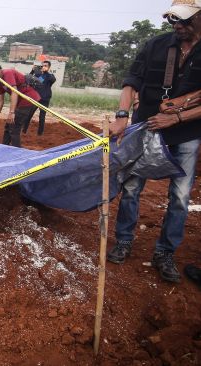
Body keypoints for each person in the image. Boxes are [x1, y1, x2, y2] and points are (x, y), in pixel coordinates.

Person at [106, 0, 201, 283]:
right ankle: (123, 241)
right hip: (146, 126)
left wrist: (178, 118)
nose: (178, 26)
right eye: (173, 20)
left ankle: (165, 252)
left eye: (184, 20)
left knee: (180, 197)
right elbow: (131, 81)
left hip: (186, 133)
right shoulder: (156, 45)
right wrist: (123, 115)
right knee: (132, 186)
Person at [0, 61, 41, 147]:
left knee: (14, 128)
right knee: (8, 126)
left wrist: (12, 112)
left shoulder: (7, 73)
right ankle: (4, 148)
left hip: (29, 99)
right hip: (20, 102)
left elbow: (14, 92)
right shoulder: (0, 82)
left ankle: (16, 152)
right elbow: (0, 101)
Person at [24, 61, 57, 136]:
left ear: (49, 67)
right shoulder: (38, 74)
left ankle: (40, 134)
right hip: (36, 98)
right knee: (29, 114)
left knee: (42, 117)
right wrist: (33, 70)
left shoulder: (50, 76)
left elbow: (53, 80)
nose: (43, 67)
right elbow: (29, 78)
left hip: (45, 99)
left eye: (45, 66)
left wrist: (46, 72)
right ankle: (24, 130)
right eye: (42, 66)